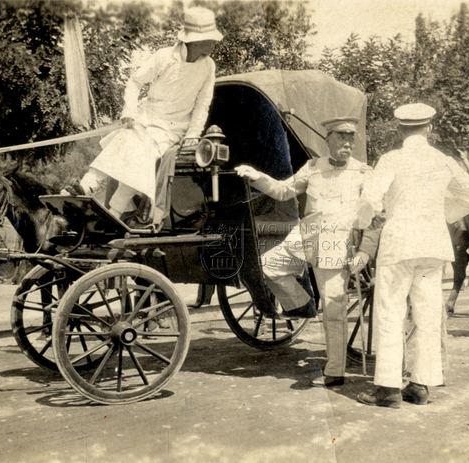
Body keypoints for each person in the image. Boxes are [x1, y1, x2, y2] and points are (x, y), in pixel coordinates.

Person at [354, 103, 469, 408]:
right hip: (432, 246)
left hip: (398, 245)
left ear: (400, 130)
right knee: (427, 317)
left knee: (390, 313)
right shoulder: (444, 162)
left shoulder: (391, 159)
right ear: (429, 129)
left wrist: (366, 220)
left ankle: (387, 390)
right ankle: (420, 386)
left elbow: (370, 199)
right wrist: (444, 214)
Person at [235, 117, 379, 387]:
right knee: (269, 266)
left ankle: (335, 370)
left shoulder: (363, 173)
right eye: (340, 137)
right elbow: (283, 190)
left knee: (334, 308)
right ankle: (302, 304)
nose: (347, 143)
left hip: (335, 241)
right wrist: (257, 176)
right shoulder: (313, 167)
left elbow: (373, 216)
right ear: (328, 139)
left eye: (351, 138)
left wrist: (366, 252)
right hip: (308, 234)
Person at [64, 7, 222, 226]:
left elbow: (202, 105)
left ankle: (114, 213)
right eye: (208, 40)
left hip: (172, 131)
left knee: (143, 155)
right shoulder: (164, 57)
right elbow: (134, 82)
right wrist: (128, 111)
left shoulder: (208, 67)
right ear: (193, 41)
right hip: (146, 118)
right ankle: (87, 187)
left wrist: (193, 135)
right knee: (124, 139)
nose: (213, 45)